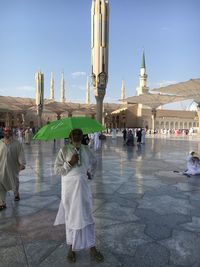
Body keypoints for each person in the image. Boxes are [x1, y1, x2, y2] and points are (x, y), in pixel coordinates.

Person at [54, 128, 104, 263]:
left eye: (79, 134)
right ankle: (71, 247)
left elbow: (94, 163)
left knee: (87, 215)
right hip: (69, 190)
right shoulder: (63, 151)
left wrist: (90, 174)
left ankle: (92, 247)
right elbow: (57, 170)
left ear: (82, 136)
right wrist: (70, 162)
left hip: (83, 188)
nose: (76, 136)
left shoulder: (86, 149)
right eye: (74, 134)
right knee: (71, 217)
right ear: (70, 136)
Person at [0, 127, 26, 210]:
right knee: (0, 185)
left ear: (11, 132)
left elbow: (20, 153)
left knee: (14, 183)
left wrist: (22, 163)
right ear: (3, 132)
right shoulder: (0, 143)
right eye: (6, 131)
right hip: (1, 168)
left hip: (13, 167)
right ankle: (2, 203)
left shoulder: (17, 143)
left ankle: (16, 194)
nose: (7, 132)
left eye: (9, 131)